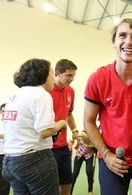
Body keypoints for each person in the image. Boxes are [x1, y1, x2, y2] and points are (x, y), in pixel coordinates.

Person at [83, 18, 132, 195]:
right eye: (122, 36)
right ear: (114, 42)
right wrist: (106, 153)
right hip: (112, 157)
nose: (129, 41)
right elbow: (88, 121)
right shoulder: (98, 78)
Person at [2, 58, 66, 195]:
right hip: (34, 159)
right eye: (52, 74)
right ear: (42, 75)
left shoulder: (14, 95)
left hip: (10, 161)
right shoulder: (41, 94)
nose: (54, 79)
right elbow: (44, 132)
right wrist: (61, 123)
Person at [49, 59, 79, 195]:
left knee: (67, 182)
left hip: (64, 146)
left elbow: (69, 114)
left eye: (73, 76)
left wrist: (74, 130)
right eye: (69, 75)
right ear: (57, 73)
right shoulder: (46, 91)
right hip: (47, 148)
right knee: (50, 185)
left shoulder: (71, 91)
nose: (72, 79)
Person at [71, 130, 96, 195]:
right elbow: (76, 144)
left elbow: (95, 146)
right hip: (80, 154)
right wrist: (74, 143)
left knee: (89, 172)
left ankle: (90, 190)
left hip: (89, 154)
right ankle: (70, 192)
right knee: (75, 174)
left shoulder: (94, 135)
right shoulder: (82, 134)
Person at [0, 103, 10, 195]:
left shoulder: (11, 124)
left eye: (6, 111)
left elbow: (11, 136)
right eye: (3, 111)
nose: (4, 113)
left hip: (7, 154)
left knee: (5, 179)